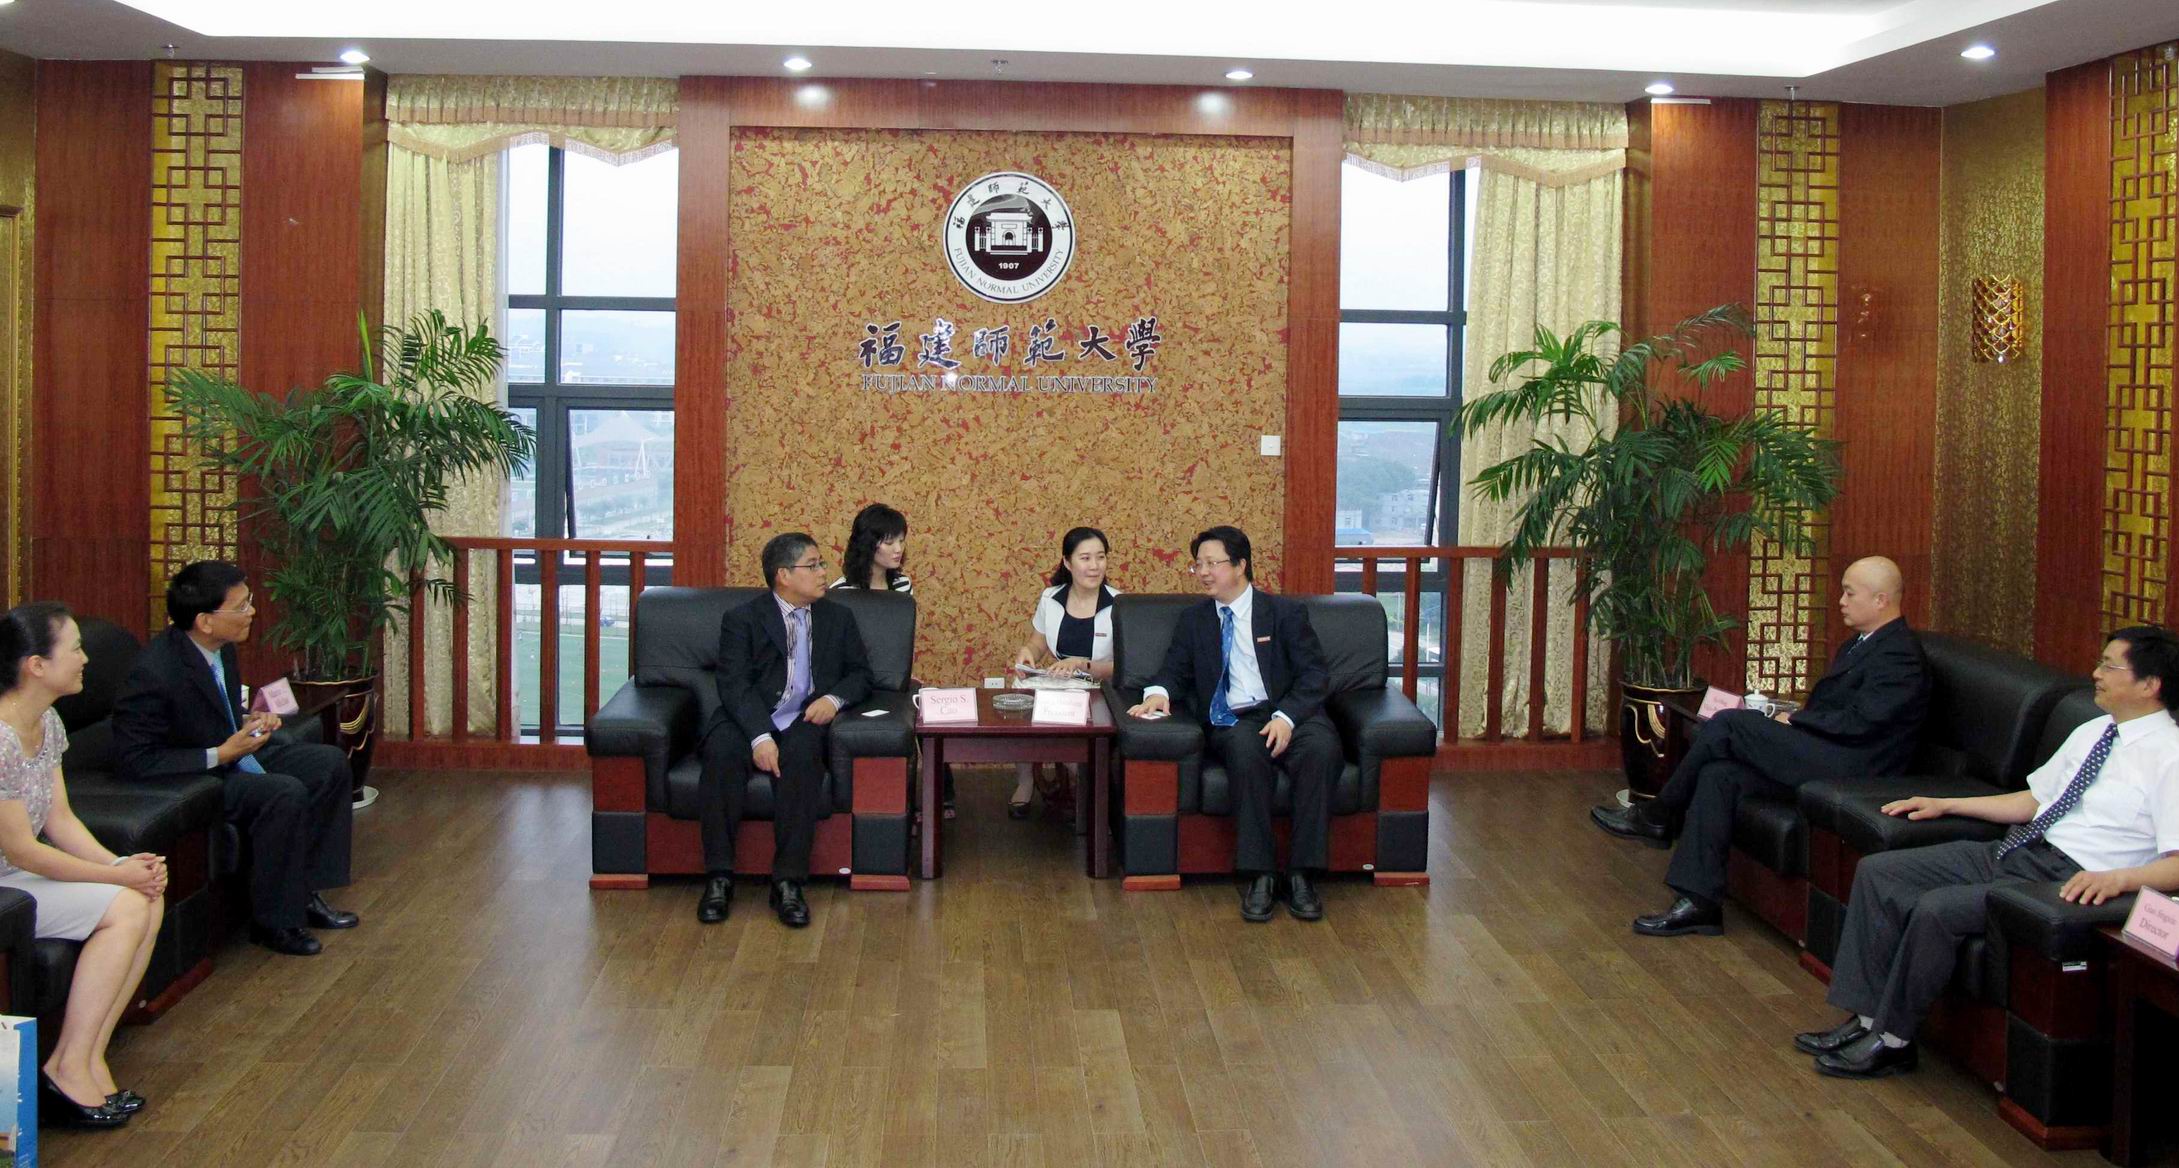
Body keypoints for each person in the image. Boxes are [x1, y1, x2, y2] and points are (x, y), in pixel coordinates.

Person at [1797, 626, 2179, 1079]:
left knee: (1936, 908)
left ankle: (1894, 1041)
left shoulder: (2169, 757)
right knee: (1881, 872)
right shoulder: (2095, 730)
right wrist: (1947, 804)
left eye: (2109, 666)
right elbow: (2035, 800)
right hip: (2021, 848)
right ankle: (1865, 1020)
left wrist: (2118, 879)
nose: (2095, 673)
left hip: (2069, 880)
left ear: (2150, 684)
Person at [1590, 556, 1930, 937]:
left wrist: (1796, 721)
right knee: (1721, 774)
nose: (1841, 601)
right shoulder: (1859, 645)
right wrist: (1795, 717)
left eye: (1850, 593)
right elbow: (1834, 710)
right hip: (1829, 750)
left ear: (1881, 600)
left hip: (1856, 768)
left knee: (1729, 724)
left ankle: (1657, 814)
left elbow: (1861, 723)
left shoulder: (1900, 656)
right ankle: (1700, 903)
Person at [111, 562, 357, 957]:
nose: (252, 612)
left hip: (232, 757)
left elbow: (210, 713)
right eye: (241, 606)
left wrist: (250, 721)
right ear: (205, 620)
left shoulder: (219, 649)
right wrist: (220, 753)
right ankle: (275, 924)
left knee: (328, 764)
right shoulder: (154, 672)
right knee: (283, 792)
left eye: (249, 602)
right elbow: (136, 760)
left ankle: (305, 893)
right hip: (195, 777)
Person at [0, 603, 164, 1128]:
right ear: (36, 666)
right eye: (74, 648)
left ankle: (88, 1056)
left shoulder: (46, 721)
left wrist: (125, 863)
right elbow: (23, 850)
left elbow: (61, 820)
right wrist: (115, 877)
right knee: (125, 904)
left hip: (16, 875)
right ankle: (68, 1066)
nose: (85, 658)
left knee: (146, 897)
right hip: (5, 884)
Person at [1128, 525, 1340, 923]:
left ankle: (1302, 874)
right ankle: (1260, 874)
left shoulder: (1284, 614)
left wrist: (1286, 717)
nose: (1204, 572)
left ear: (1241, 565)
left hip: (1292, 712)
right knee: (1244, 753)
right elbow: (1174, 669)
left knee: (1321, 750)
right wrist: (1158, 692)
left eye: (1213, 563)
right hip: (1234, 717)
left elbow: (1315, 676)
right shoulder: (1194, 621)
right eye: (1198, 565)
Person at [698, 532, 873, 928]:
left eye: (822, 563)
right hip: (747, 717)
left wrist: (833, 700)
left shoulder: (838, 618)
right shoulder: (742, 619)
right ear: (784, 575)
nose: (823, 572)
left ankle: (788, 883)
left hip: (803, 719)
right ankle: (719, 878)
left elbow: (862, 675)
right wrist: (760, 736)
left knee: (802, 759)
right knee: (721, 753)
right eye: (813, 565)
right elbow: (734, 685)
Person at [1008, 527, 1122, 818]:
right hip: (1059, 684)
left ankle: (1087, 791)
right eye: (1085, 558)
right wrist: (1028, 653)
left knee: (1070, 733)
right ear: (1068, 563)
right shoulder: (1051, 597)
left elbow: (1125, 667)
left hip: (1099, 690)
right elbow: (1038, 642)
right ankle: (1025, 781)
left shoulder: (1120, 604)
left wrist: (1082, 664)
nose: (1094, 566)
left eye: (1100, 557)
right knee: (1020, 697)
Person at [832, 503, 912, 594]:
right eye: (889, 543)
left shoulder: (903, 585)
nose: (898, 549)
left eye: (901, 541)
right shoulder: (841, 591)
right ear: (867, 544)